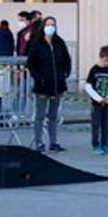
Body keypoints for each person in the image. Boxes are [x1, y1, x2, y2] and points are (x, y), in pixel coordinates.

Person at [26, 16, 71, 153]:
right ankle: (39, 142)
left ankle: (54, 142)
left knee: (53, 115)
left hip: (57, 85)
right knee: (40, 115)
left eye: (53, 24)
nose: (50, 27)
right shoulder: (37, 43)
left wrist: (65, 73)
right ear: (44, 26)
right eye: (48, 24)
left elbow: (66, 59)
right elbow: (31, 63)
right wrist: (39, 78)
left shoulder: (59, 42)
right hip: (42, 86)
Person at [84, 45, 108, 155]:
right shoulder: (94, 70)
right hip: (97, 103)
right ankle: (96, 145)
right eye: (105, 60)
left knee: (106, 124)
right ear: (100, 57)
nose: (106, 63)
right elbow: (88, 86)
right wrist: (98, 99)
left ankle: (105, 144)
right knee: (96, 124)